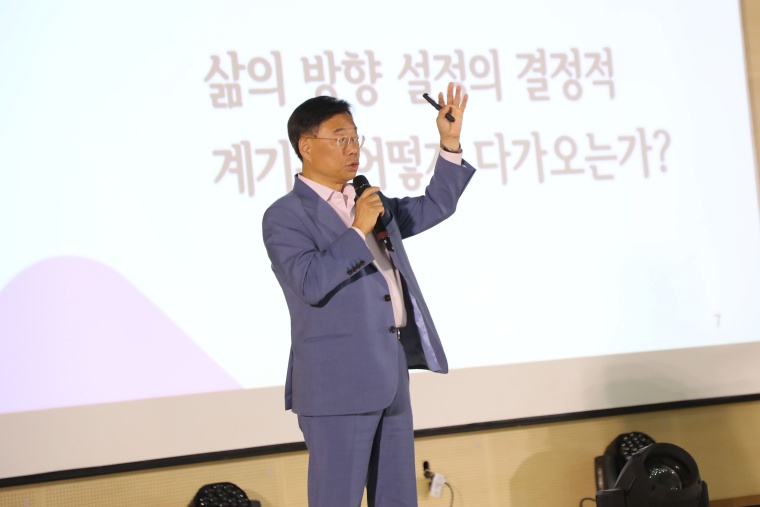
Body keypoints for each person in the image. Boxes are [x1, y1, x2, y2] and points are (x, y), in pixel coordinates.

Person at [262, 82, 476, 506]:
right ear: (306, 146)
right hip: (335, 384)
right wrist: (358, 229)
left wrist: (449, 143)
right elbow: (310, 282)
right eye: (341, 138)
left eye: (356, 138)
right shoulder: (285, 216)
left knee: (397, 498)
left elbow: (435, 206)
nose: (353, 148)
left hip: (390, 374)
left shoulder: (369, 201)